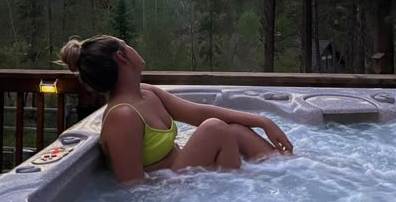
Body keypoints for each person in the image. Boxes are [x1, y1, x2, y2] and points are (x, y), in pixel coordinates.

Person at [59, 35, 294, 184]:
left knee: (236, 131)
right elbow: (132, 188)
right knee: (215, 129)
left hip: (183, 173)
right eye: (126, 44)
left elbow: (200, 113)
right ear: (122, 57)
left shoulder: (147, 93)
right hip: (170, 190)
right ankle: (247, 189)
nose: (132, 47)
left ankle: (292, 172)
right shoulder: (123, 116)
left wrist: (263, 121)